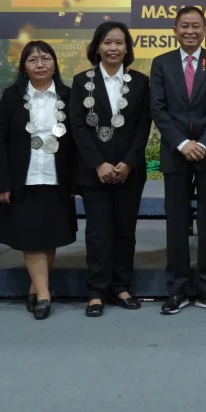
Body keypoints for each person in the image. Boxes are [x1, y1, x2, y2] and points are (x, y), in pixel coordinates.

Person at [149, 6, 206, 315]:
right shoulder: (161, 63)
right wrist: (183, 143)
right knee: (177, 225)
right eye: (184, 26)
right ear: (174, 29)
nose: (190, 31)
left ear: (205, 28)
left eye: (196, 26)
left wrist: (205, 143)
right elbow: (158, 109)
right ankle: (177, 289)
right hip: (175, 153)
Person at [69, 21, 151, 318]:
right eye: (107, 42)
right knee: (98, 232)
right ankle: (96, 291)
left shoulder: (141, 82)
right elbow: (77, 126)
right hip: (95, 171)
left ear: (127, 48)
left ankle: (121, 286)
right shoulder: (82, 81)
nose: (113, 48)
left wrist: (128, 162)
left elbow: (144, 126)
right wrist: (99, 164)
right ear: (97, 47)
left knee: (125, 231)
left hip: (129, 170)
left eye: (119, 43)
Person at [0, 41, 77, 320]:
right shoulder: (12, 96)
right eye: (32, 60)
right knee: (32, 238)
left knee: (49, 236)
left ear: (54, 63)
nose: (40, 65)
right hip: (23, 179)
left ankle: (34, 286)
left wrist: (76, 181)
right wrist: (1, 182)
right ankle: (43, 295)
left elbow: (77, 143)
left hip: (57, 177)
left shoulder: (69, 95)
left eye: (45, 59)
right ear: (24, 68)